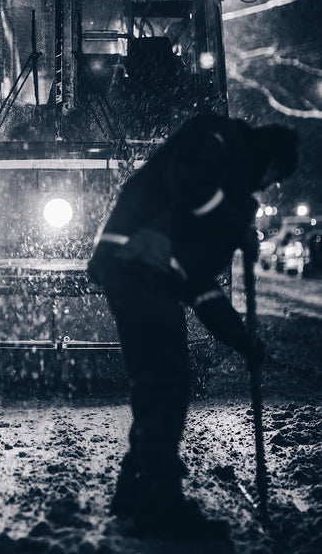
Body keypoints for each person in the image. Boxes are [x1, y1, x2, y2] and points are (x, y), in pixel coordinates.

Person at [88, 113, 298, 543]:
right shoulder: (217, 139)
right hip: (135, 262)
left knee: (162, 384)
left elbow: (201, 287)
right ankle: (158, 506)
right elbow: (189, 180)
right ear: (268, 157)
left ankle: (135, 491)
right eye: (273, 175)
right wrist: (233, 220)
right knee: (163, 385)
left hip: (149, 274)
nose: (266, 185)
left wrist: (242, 339)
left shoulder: (228, 198)